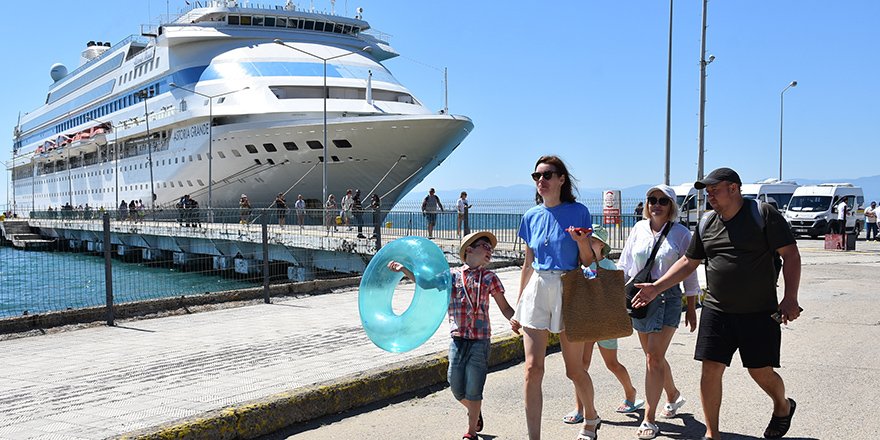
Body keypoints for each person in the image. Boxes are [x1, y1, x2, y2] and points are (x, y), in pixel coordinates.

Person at [633, 167, 801, 440]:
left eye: (714, 189)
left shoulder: (763, 214)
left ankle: (782, 405)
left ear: (733, 188)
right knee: (710, 369)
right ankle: (712, 434)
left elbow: (791, 255)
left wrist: (790, 298)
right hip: (717, 309)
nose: (709, 194)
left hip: (758, 311)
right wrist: (656, 287)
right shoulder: (707, 223)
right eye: (707, 190)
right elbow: (688, 262)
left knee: (761, 372)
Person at [387, 231, 516, 440]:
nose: (490, 251)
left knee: (474, 386)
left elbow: (505, 306)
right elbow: (426, 283)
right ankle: (475, 411)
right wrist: (404, 270)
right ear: (469, 250)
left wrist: (513, 319)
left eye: (491, 249)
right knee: (455, 385)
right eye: (485, 246)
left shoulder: (490, 277)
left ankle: (471, 431)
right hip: (458, 338)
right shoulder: (452, 275)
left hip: (480, 341)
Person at [510, 155, 597, 440]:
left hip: (568, 286)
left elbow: (589, 262)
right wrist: (518, 306)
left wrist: (582, 242)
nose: (541, 181)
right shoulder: (530, 216)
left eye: (547, 175)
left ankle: (591, 417)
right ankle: (533, 436)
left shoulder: (579, 211)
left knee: (574, 370)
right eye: (536, 176)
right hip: (537, 287)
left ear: (562, 179)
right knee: (532, 369)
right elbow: (527, 263)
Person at [619, 184, 700, 439]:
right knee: (652, 356)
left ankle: (649, 418)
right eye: (652, 199)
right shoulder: (638, 229)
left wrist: (691, 306)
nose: (656, 204)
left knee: (654, 357)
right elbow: (625, 265)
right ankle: (673, 395)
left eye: (663, 201)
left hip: (668, 299)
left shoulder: (681, 234)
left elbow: (689, 270)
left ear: (671, 206)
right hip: (640, 299)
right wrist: (613, 295)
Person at [562, 224, 643, 427]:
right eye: (587, 240)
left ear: (602, 245)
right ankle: (580, 408)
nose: (589, 244)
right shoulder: (579, 265)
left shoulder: (609, 267)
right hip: (587, 320)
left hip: (606, 320)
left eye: (593, 241)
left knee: (612, 363)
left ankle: (630, 392)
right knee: (582, 365)